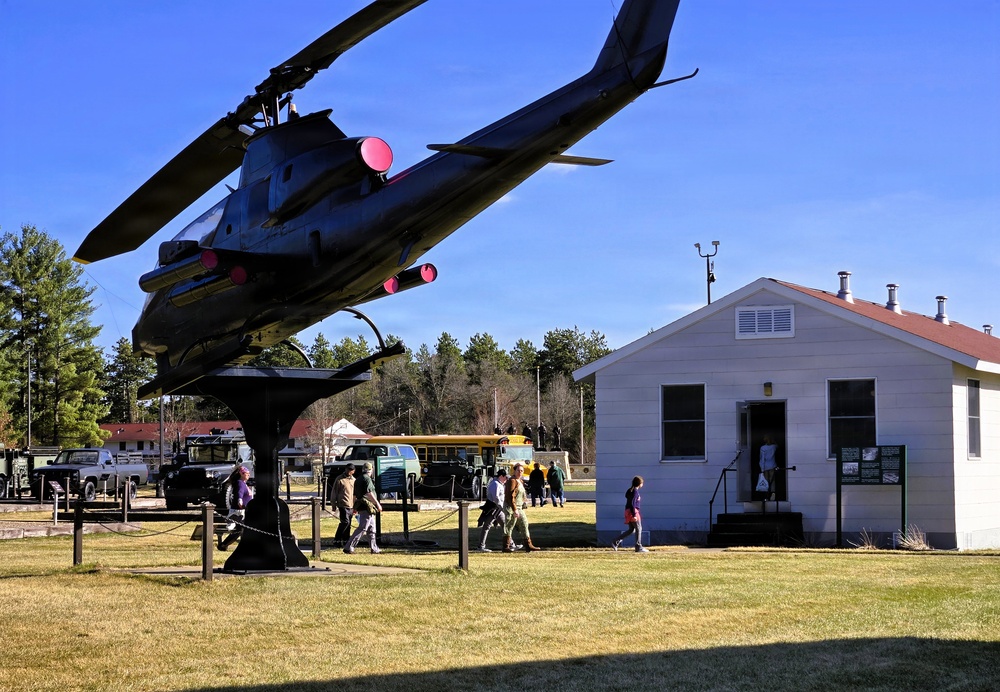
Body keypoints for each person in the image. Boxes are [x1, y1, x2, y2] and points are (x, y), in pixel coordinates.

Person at [344, 462, 383, 554]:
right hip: (367, 507)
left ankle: (374, 548)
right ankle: (349, 547)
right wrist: (377, 504)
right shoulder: (367, 479)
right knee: (362, 528)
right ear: (371, 469)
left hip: (362, 506)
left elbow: (354, 495)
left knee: (372, 529)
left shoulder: (358, 479)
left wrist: (354, 507)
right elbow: (369, 493)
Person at [503, 463, 539, 552]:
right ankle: (506, 546)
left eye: (522, 471)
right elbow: (510, 496)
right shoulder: (512, 481)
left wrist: (524, 501)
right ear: (514, 471)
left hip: (519, 507)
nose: (520, 472)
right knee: (509, 526)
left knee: (524, 523)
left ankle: (528, 545)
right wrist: (514, 509)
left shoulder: (520, 481)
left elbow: (522, 493)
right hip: (511, 507)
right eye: (518, 470)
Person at [218, 465, 253, 551]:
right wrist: (239, 500)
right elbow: (239, 493)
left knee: (240, 530)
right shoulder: (240, 483)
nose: (248, 475)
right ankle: (223, 545)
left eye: (249, 473)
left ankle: (223, 545)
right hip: (238, 512)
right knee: (240, 530)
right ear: (241, 474)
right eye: (246, 473)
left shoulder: (243, 483)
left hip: (242, 511)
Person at [611, 476, 648, 553]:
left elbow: (628, 498)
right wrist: (634, 515)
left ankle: (615, 541)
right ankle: (638, 547)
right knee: (639, 528)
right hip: (633, 511)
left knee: (631, 530)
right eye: (642, 483)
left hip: (627, 511)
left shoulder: (630, 490)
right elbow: (633, 503)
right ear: (639, 484)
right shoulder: (635, 491)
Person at [477, 468, 508, 552]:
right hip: (492, 508)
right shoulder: (495, 484)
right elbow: (496, 498)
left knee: (505, 525)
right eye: (505, 477)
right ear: (501, 476)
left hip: (498, 509)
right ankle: (481, 546)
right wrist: (502, 507)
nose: (506, 479)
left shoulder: (499, 484)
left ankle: (510, 544)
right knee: (487, 526)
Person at [331, 463, 356, 547]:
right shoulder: (339, 479)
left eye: (350, 470)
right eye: (347, 469)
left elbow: (355, 494)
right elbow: (334, 492)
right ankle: (337, 540)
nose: (348, 471)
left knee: (348, 525)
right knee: (345, 522)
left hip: (351, 505)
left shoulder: (354, 480)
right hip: (342, 504)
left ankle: (346, 541)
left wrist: (356, 506)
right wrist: (333, 503)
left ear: (353, 471)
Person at [759, 435, 778, 500]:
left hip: (765, 467)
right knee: (772, 481)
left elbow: (762, 459)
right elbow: (777, 445)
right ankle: (773, 493)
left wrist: (762, 468)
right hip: (773, 465)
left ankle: (766, 496)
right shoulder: (774, 447)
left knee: (766, 481)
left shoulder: (763, 448)